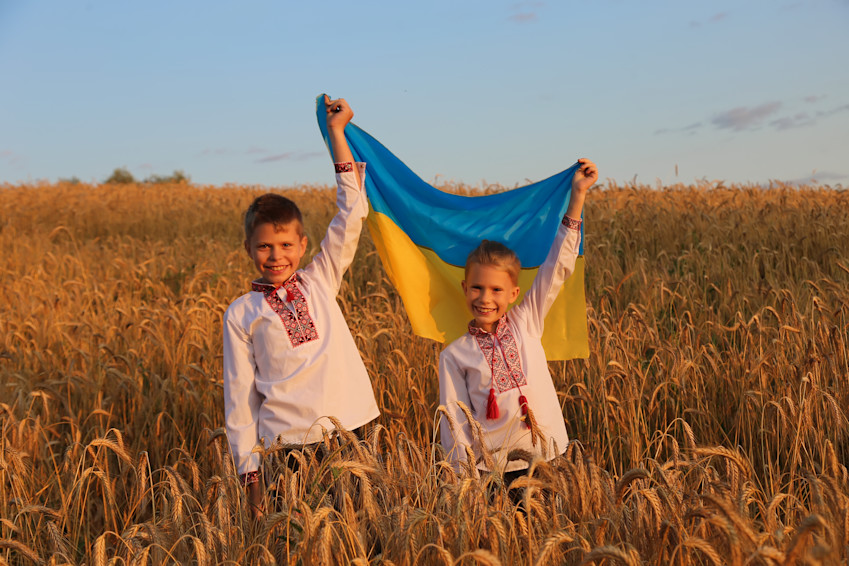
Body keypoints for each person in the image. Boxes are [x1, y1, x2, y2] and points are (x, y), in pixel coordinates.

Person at [222, 96, 380, 517]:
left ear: (303, 245)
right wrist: (251, 478)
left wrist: (337, 133)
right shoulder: (241, 314)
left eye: (286, 245)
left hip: (352, 429)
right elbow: (240, 402)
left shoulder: (320, 279)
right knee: (298, 544)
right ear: (248, 249)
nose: (276, 256)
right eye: (265, 247)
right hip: (287, 447)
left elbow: (351, 214)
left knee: (364, 537)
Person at [438, 158, 597, 483]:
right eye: (477, 288)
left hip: (549, 456)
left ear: (513, 293)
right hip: (494, 473)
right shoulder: (454, 355)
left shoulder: (527, 320)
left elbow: (557, 266)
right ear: (464, 289)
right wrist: (464, 483)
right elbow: (454, 420)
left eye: (496, 289)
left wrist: (577, 196)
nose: (485, 298)